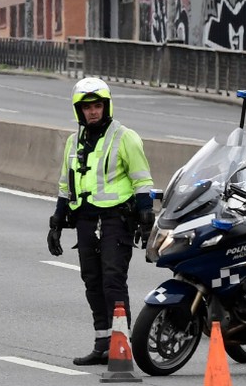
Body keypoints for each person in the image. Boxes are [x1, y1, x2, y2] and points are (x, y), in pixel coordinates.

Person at [47, 77, 154, 366]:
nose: (92, 112)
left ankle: (122, 344)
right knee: (92, 281)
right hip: (85, 219)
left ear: (106, 106)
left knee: (113, 281)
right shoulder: (73, 142)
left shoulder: (125, 136)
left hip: (116, 219)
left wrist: (145, 219)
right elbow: (65, 185)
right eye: (87, 108)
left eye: (97, 106)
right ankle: (102, 343)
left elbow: (142, 180)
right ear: (78, 111)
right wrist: (56, 221)